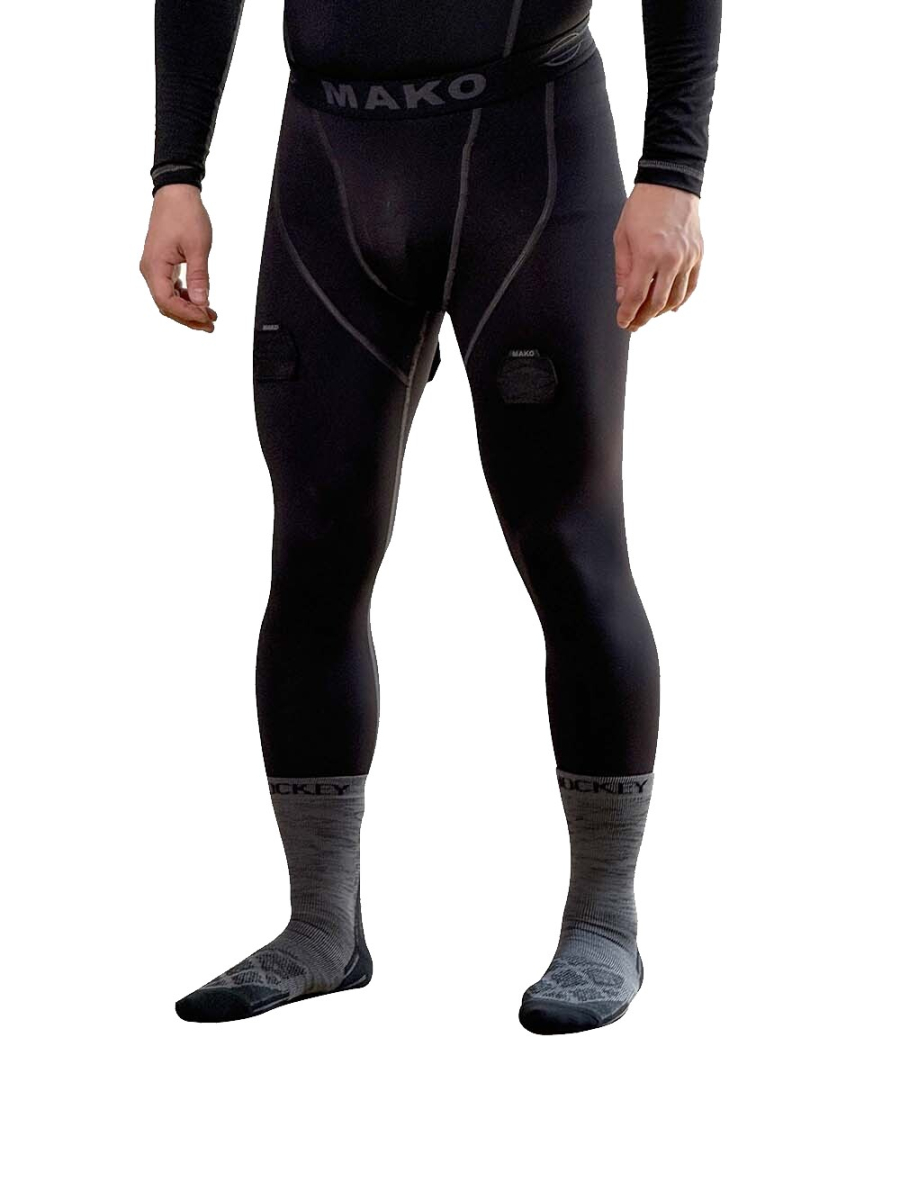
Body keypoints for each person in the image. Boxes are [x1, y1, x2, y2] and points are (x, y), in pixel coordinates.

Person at [142, 0, 721, 1033]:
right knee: (314, 549)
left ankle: (604, 921)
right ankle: (322, 926)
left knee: (568, 544)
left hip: (530, 153)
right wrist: (176, 172)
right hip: (328, 160)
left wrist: (673, 170)